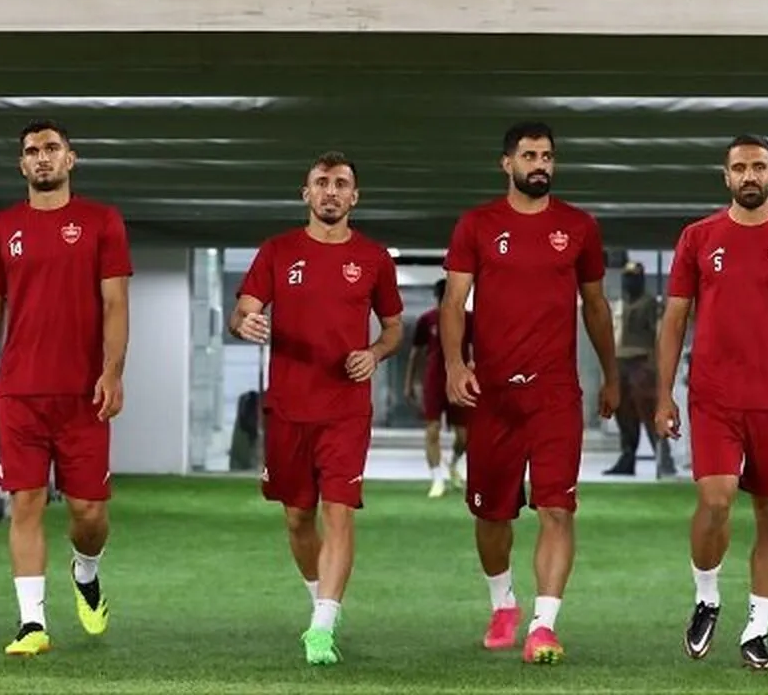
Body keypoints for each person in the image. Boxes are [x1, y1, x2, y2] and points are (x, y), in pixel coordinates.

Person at [654, 134, 768, 671]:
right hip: (713, 395)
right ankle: (707, 597)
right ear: (727, 177)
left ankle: (758, 629)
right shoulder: (698, 237)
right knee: (716, 501)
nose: (750, 176)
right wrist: (664, 394)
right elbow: (674, 318)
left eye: (759, 166)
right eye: (740, 168)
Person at [441, 121, 620, 665]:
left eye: (546, 156)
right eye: (529, 156)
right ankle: (503, 604)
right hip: (492, 394)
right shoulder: (476, 224)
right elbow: (454, 303)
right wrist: (455, 364)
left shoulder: (579, 227)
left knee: (557, 509)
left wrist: (611, 374)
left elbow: (595, 306)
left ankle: (544, 626)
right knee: (491, 516)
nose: (539, 164)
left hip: (555, 394)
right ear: (507, 164)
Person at [229, 151, 404, 666]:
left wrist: (374, 353)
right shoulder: (278, 251)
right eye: (322, 183)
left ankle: (323, 626)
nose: (331, 191)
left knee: (339, 511)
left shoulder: (373, 258)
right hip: (288, 408)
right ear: (306, 193)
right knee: (297, 518)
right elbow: (243, 312)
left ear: (355, 196)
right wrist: (244, 323)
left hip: (346, 409)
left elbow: (393, 328)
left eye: (341, 184)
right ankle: (319, 601)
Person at [0, 119, 133, 656]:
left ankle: (86, 570)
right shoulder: (2, 228)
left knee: (89, 514)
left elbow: (115, 303)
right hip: (20, 392)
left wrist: (112, 371)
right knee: (26, 502)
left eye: (51, 148)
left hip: (84, 395)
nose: (42, 157)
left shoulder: (102, 221)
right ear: (22, 164)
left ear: (70, 158)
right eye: (32, 151)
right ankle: (31, 624)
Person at [403, 278, 474, 498]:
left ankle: (454, 463)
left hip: (460, 381)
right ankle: (437, 480)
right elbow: (415, 354)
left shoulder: (469, 320)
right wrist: (409, 383)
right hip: (434, 381)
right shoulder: (427, 320)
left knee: (464, 436)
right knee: (432, 429)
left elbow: (476, 350)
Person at [603, 261, 675, 477]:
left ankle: (663, 459)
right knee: (624, 414)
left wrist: (657, 365)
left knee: (649, 412)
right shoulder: (620, 303)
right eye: (627, 277)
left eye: (633, 278)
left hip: (642, 362)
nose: (629, 282)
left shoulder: (650, 304)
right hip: (621, 362)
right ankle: (627, 457)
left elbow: (659, 335)